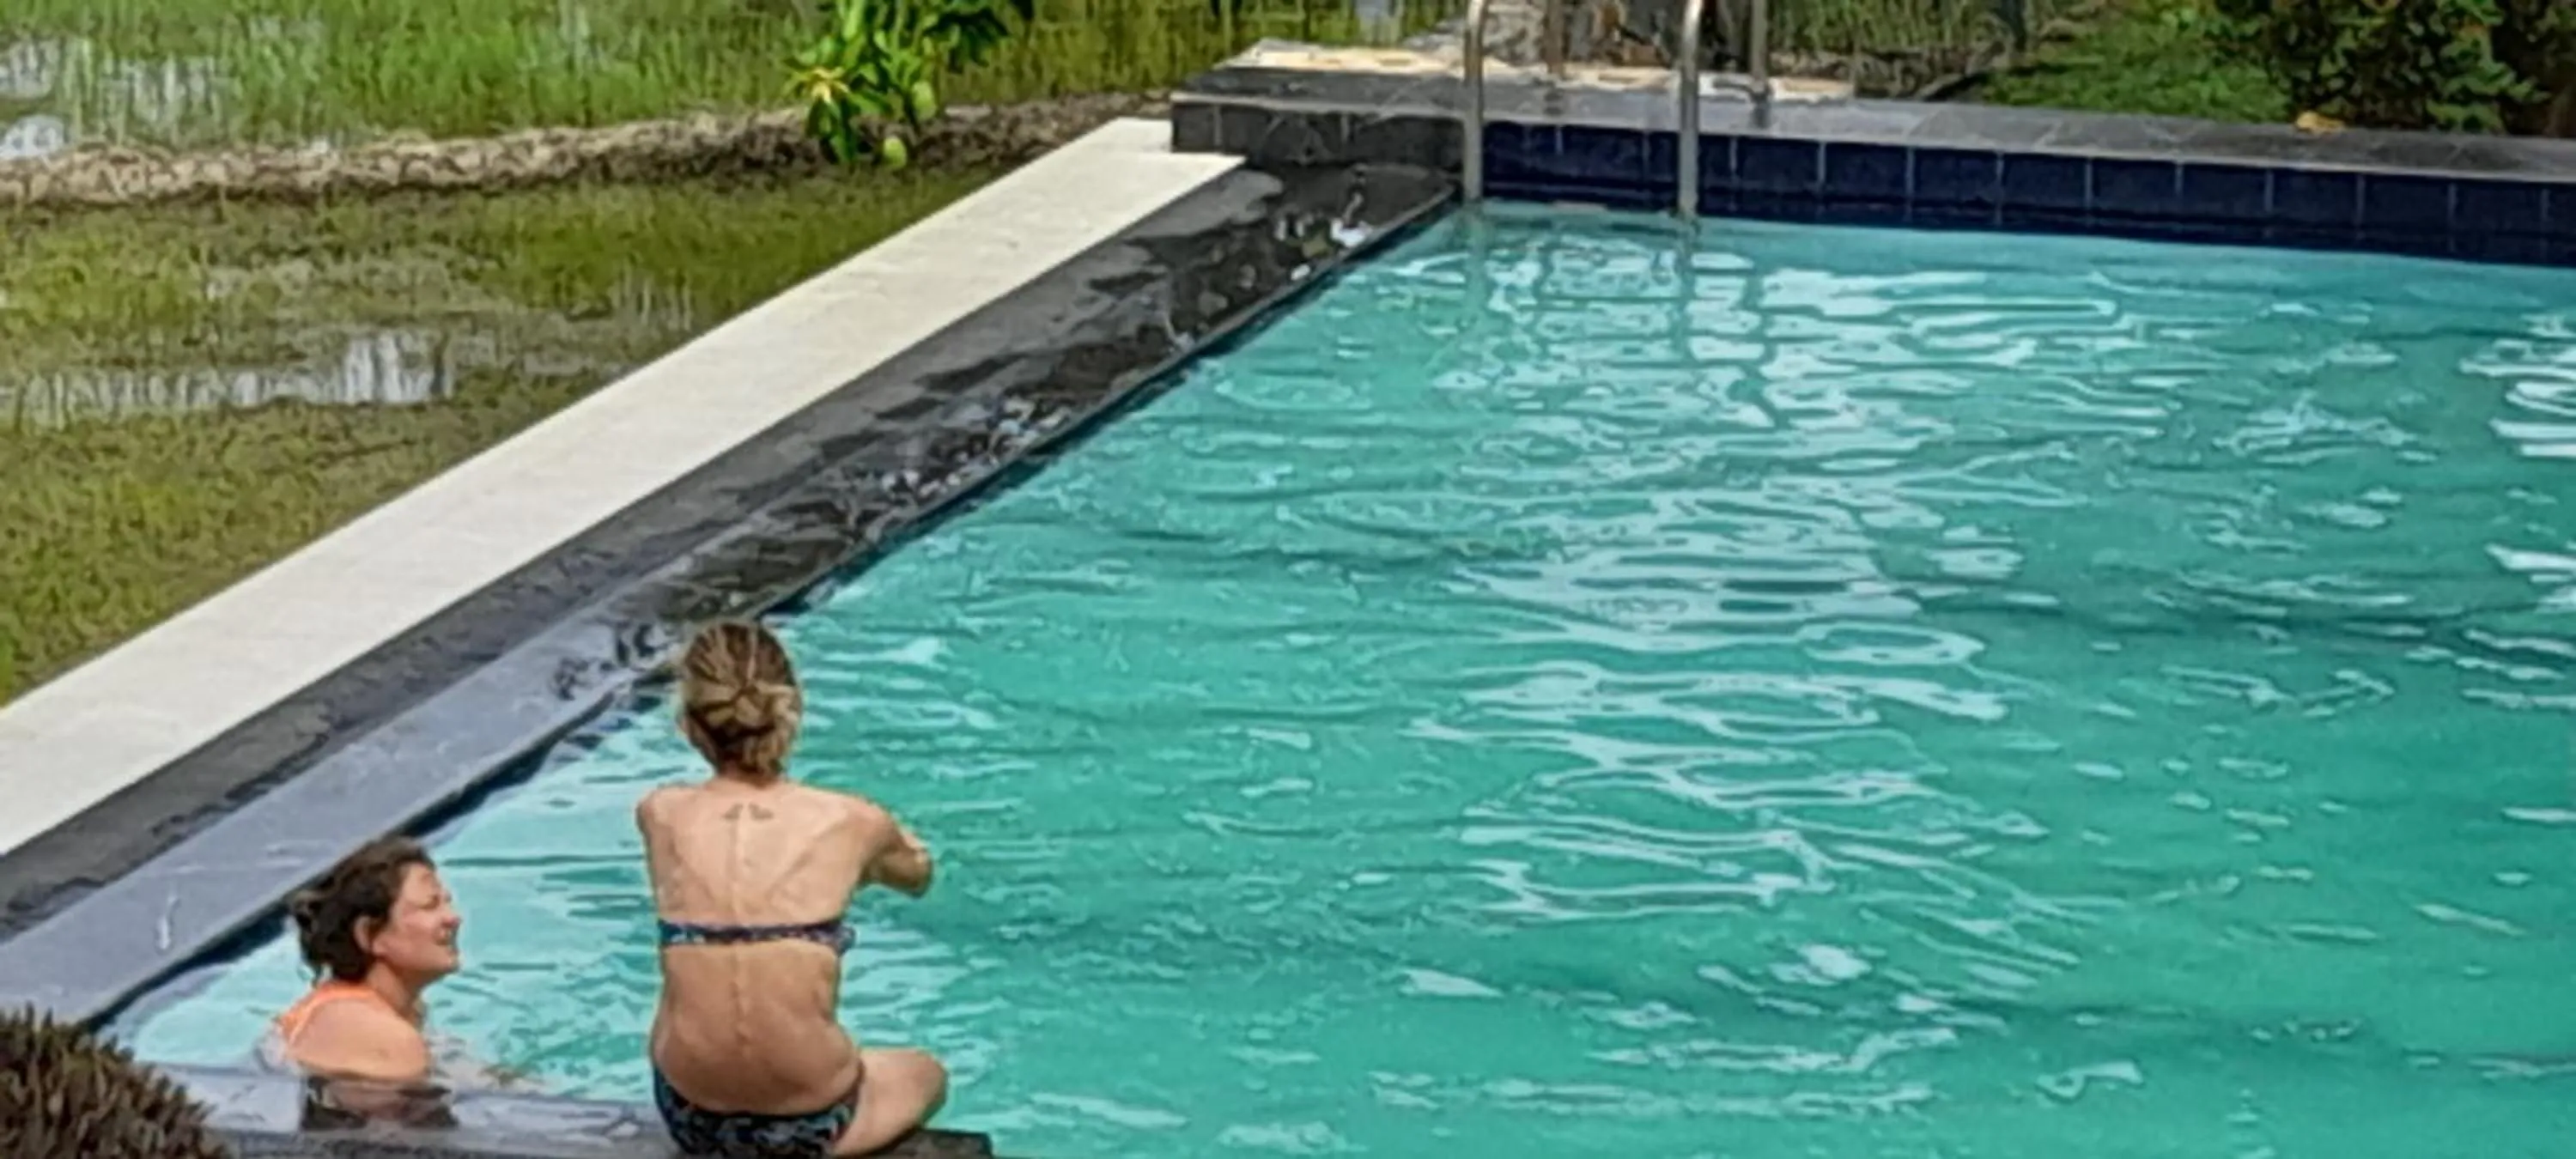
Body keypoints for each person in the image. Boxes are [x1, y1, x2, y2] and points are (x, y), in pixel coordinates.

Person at [639, 619, 948, 1158]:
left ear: (689, 724)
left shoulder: (661, 814)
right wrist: (869, 862)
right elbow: (918, 878)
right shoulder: (851, 820)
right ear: (793, 712)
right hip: (812, 1123)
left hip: (690, 1114)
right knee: (926, 1071)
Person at [267, 835, 463, 1086]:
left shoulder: (365, 1010)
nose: (453, 918)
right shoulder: (381, 1036)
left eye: (447, 902)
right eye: (430, 906)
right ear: (369, 934)